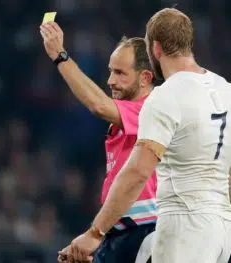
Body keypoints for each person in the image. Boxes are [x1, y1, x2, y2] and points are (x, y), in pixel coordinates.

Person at [63, 8, 231, 263]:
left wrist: (95, 233)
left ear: (156, 49)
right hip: (222, 230)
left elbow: (138, 172)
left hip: (184, 227)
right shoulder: (225, 89)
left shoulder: (166, 96)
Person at [40, 22, 158, 263]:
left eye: (120, 73)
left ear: (145, 78)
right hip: (123, 232)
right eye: (111, 71)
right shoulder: (132, 115)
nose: (110, 81)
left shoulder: (152, 109)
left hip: (144, 228)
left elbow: (99, 105)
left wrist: (60, 57)